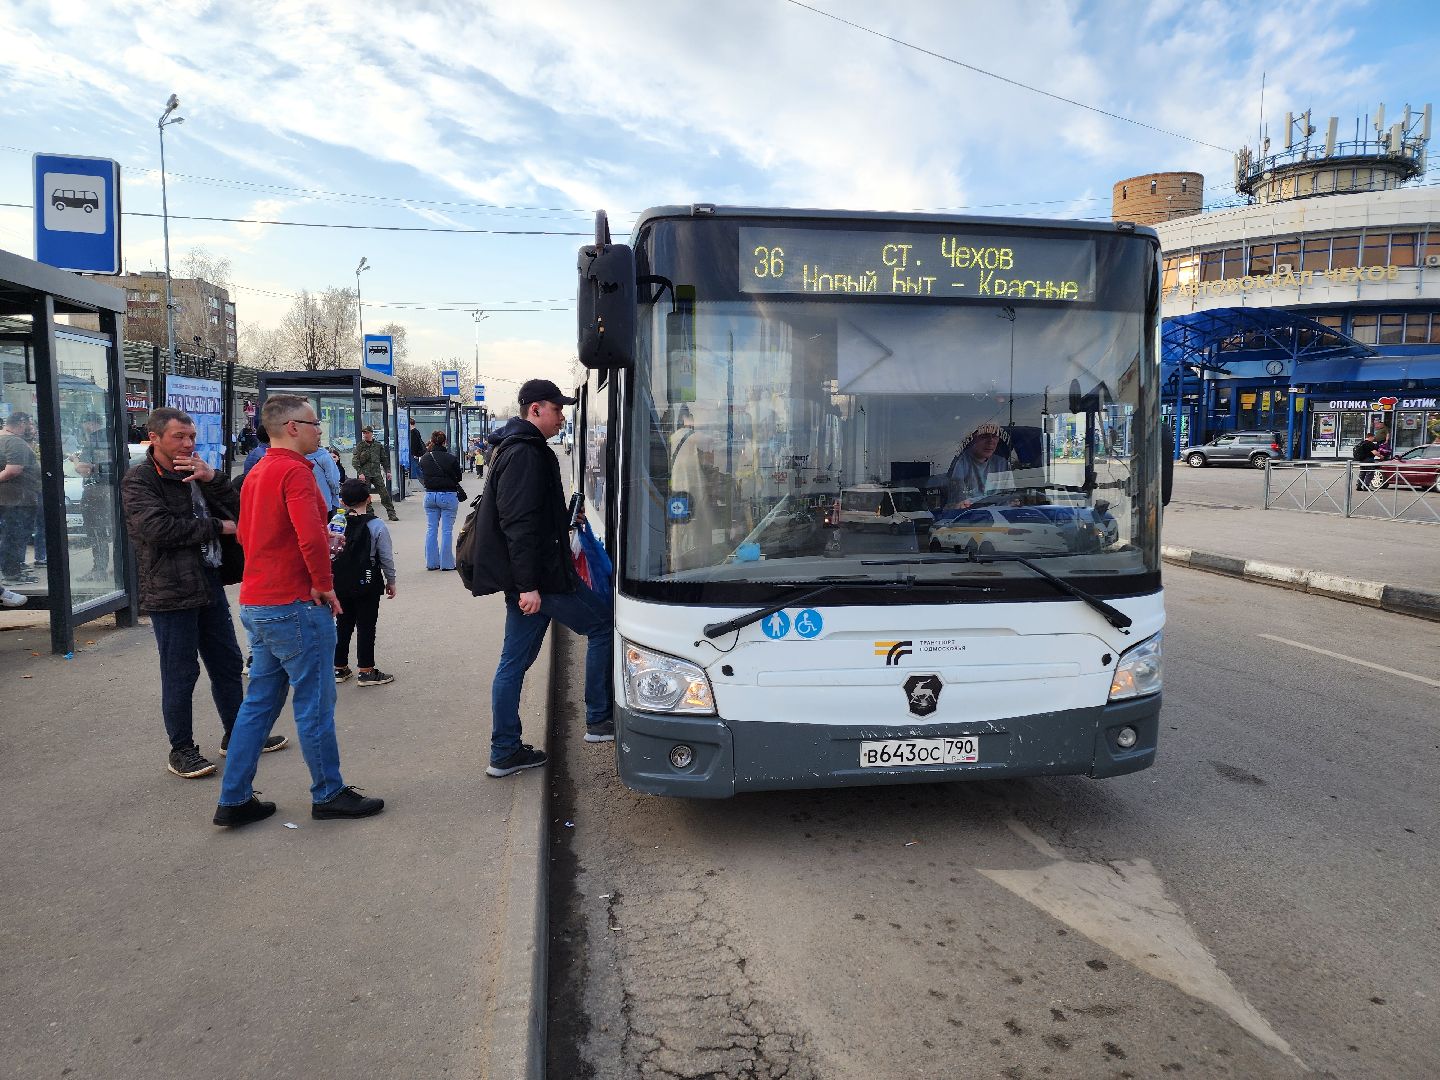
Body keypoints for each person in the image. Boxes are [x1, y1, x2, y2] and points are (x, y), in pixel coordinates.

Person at [213, 394, 384, 827]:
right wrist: (324, 586)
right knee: (315, 703)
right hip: (294, 604)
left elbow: (251, 536)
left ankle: (234, 799)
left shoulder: (257, 472)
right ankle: (328, 793)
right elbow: (310, 536)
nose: (319, 430)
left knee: (258, 704)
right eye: (313, 423)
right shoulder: (296, 472)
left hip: (259, 601)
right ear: (292, 427)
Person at [120, 406, 288, 779]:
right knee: (180, 672)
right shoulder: (139, 480)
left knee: (227, 662)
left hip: (207, 580)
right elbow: (159, 529)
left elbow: (239, 507)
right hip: (170, 589)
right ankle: (181, 749)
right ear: (155, 437)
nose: (188, 443)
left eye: (191, 436)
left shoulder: (195, 471)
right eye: (179, 436)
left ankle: (238, 733)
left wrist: (211, 478)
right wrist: (219, 527)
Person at [469, 379, 614, 778]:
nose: (562, 416)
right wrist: (529, 586)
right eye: (557, 408)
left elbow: (530, 514)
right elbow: (518, 524)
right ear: (535, 409)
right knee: (602, 625)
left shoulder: (514, 449)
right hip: (542, 581)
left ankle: (505, 751)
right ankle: (599, 720)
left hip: (532, 579)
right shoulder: (525, 453)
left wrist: (565, 515)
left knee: (513, 662)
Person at [332, 478, 397, 687]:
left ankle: (339, 667)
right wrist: (391, 580)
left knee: (342, 624)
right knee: (366, 625)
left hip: (340, 581)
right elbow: (385, 556)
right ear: (369, 499)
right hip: (368, 581)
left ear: (342, 501)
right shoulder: (375, 524)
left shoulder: (334, 523)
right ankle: (366, 670)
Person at [0, 411, 40, 587]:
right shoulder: (15, 442)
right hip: (18, 500)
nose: (31, 428)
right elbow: (13, 470)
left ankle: (14, 568)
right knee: (15, 536)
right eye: (30, 423)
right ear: (21, 423)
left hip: (12, 499)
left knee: (12, 535)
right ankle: (12, 573)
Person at [73, 412, 113, 581]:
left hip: (95, 491)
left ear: (88, 424)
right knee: (114, 532)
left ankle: (99, 569)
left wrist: (75, 460)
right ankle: (119, 568)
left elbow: (84, 470)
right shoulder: (112, 437)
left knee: (96, 532)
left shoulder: (91, 441)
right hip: (112, 489)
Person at [419, 430, 463, 571]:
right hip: (448, 495)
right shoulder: (451, 458)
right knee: (446, 530)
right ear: (445, 442)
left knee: (431, 529)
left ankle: (431, 563)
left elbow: (422, 475)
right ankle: (447, 563)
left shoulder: (425, 458)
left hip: (430, 496)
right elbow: (459, 477)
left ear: (431, 441)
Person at [945, 422, 1015, 510]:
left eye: (995, 436)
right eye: (984, 436)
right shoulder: (961, 462)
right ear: (973, 439)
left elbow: (1009, 497)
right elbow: (958, 500)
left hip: (999, 518)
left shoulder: (1002, 463)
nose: (991, 441)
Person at [351, 425, 399, 521]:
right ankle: (370, 514)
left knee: (384, 494)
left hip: (376, 473)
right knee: (365, 495)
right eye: (364, 433)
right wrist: (360, 473)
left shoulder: (378, 445)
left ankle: (391, 513)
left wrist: (388, 471)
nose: (365, 435)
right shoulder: (360, 446)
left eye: (367, 433)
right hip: (365, 475)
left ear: (372, 433)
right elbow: (355, 461)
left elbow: (384, 459)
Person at [308, 439, 341, 511]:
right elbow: (333, 479)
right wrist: (336, 493)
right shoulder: (325, 456)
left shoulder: (297, 457)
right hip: (324, 500)